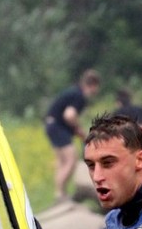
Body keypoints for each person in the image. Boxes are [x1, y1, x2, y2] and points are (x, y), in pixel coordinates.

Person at [43, 69, 101, 201]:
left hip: (51, 125)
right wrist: (79, 129)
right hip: (58, 127)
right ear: (93, 85)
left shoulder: (74, 91)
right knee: (71, 160)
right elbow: (69, 115)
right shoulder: (79, 96)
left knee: (62, 162)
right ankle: (59, 194)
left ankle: (59, 193)